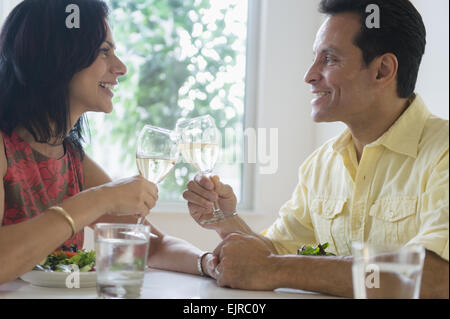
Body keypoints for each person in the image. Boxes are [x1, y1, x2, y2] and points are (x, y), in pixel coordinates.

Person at [183, 0, 449, 298]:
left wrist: (276, 269)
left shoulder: (443, 153)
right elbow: (276, 251)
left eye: (330, 59)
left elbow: (438, 277)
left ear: (382, 70)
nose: (309, 74)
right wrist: (225, 220)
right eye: (315, 58)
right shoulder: (320, 165)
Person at [0, 0, 218, 285]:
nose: (121, 68)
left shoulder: (71, 158)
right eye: (104, 51)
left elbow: (152, 245)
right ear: (58, 56)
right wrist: (102, 197)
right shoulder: (4, 149)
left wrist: (208, 262)